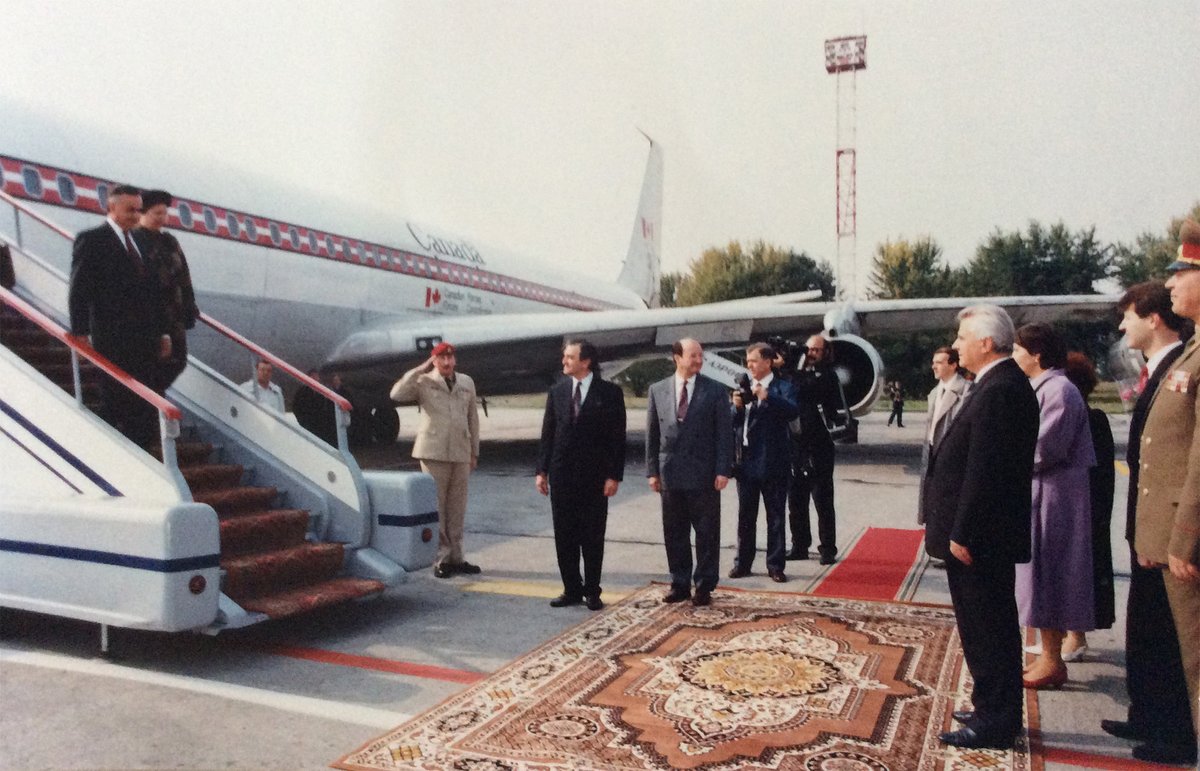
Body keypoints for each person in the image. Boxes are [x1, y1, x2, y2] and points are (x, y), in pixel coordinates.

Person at [923, 304, 1039, 749]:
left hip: (980, 537)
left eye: (961, 338)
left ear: (986, 343)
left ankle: (996, 721)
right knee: (985, 625)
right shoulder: (995, 383)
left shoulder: (1000, 390)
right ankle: (991, 703)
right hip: (982, 533)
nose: (955, 345)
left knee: (988, 626)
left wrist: (964, 532)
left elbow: (986, 470)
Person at [1101, 280, 1195, 765]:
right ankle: (1148, 713)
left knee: (1172, 636)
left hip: (1170, 526)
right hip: (1148, 523)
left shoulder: (1183, 364)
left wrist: (1180, 535)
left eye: (1128, 316)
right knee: (1147, 625)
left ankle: (1175, 731)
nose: (1122, 326)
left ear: (1153, 318)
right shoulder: (1164, 367)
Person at [1135, 218, 1200, 749]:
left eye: (1183, 272)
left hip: (1188, 540)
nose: (1172, 283)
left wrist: (1184, 538)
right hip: (1173, 534)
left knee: (1197, 663)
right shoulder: (1192, 353)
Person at [1010, 324, 1096, 690]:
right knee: (1040, 576)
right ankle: (1048, 654)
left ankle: (1052, 659)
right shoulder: (1045, 388)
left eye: (1018, 350)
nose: (1014, 357)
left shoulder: (1059, 390)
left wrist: (1004, 457)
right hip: (1043, 493)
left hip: (1054, 497)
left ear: (1037, 354)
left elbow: (1045, 448)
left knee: (1052, 575)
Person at [67, 184, 170, 446]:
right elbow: (79, 289)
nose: (136, 216)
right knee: (117, 403)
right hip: (112, 341)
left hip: (144, 342)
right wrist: (79, 334)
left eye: (138, 210)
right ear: (111, 207)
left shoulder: (139, 243)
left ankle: (145, 458)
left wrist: (162, 332)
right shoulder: (92, 240)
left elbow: (152, 293)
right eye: (130, 210)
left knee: (145, 406)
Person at [535, 339, 626, 611]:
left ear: (585, 362)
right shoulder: (558, 391)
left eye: (570, 358)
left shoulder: (609, 393)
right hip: (562, 476)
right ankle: (571, 588)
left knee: (592, 536)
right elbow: (547, 434)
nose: (564, 362)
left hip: (595, 478)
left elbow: (617, 439)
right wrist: (542, 471)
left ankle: (592, 591)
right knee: (565, 536)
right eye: (564, 357)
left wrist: (614, 475)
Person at [645, 338, 734, 606]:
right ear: (677, 357)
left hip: (704, 474)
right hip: (670, 474)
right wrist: (652, 471)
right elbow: (652, 434)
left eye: (700, 356)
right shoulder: (657, 390)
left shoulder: (715, 391)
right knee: (674, 532)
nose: (699, 360)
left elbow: (724, 435)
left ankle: (704, 585)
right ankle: (679, 582)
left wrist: (723, 470)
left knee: (707, 533)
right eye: (693, 355)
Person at [390, 342, 481, 578]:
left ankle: (457, 557)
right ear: (434, 360)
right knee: (437, 507)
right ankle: (441, 558)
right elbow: (396, 393)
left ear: (455, 360)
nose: (447, 363)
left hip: (460, 450)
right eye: (442, 358)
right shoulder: (424, 382)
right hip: (433, 451)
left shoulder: (467, 382)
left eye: (450, 358)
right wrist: (420, 369)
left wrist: (474, 451)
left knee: (457, 508)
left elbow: (473, 418)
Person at [728, 342, 799, 583]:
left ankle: (775, 565)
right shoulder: (744, 388)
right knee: (745, 517)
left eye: (754, 361)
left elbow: (792, 411)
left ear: (768, 362)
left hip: (773, 461)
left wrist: (767, 397)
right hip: (746, 462)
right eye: (747, 363)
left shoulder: (783, 388)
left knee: (775, 517)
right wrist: (736, 408)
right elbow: (736, 424)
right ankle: (743, 562)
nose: (750, 366)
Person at [1061, 352, 1115, 657]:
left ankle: (1076, 635)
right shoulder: (1087, 417)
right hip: (1078, 507)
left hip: (1083, 510)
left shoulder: (1090, 419)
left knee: (1076, 572)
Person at [134, 189, 198, 392]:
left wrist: (189, 306)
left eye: (164, 213)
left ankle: (153, 395)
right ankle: (149, 401)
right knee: (152, 362)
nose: (162, 218)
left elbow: (184, 276)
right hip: (150, 317)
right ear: (144, 213)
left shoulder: (170, 241)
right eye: (157, 213)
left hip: (174, 316)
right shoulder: (134, 240)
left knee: (178, 361)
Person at [786, 333, 843, 565]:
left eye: (815, 350)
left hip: (819, 445)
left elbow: (804, 389)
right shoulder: (797, 374)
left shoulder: (827, 375)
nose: (810, 354)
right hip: (796, 444)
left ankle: (827, 548)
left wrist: (793, 364)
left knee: (822, 499)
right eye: (807, 349)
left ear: (825, 353)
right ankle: (800, 544)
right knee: (796, 499)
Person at [917, 346, 970, 527]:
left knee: (948, 511)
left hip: (952, 461)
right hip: (932, 456)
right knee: (932, 505)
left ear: (954, 365)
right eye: (933, 363)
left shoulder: (967, 392)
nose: (934, 366)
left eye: (939, 362)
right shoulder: (934, 393)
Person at [293, 369, 341, 446]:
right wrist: (302, 421)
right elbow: (296, 408)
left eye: (317, 377)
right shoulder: (301, 392)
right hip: (307, 425)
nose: (317, 379)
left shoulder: (321, 392)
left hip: (319, 426)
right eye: (314, 377)